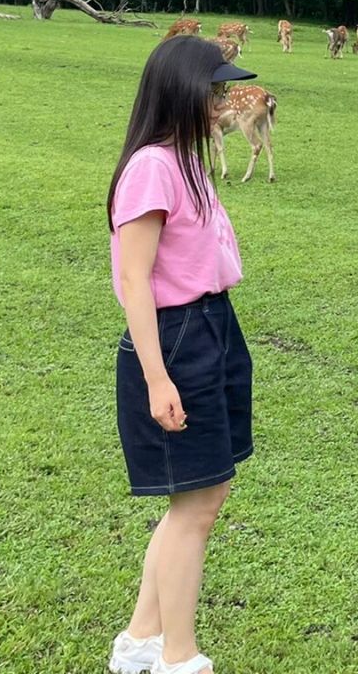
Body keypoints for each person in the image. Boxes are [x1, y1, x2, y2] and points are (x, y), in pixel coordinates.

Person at [106, 36, 257, 674]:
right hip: (175, 337)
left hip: (213, 326)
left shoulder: (186, 160)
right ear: (182, 93)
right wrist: (156, 376)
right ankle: (178, 656)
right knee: (196, 503)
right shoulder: (151, 167)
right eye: (215, 91)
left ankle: (141, 642)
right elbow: (134, 280)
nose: (223, 102)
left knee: (202, 494)